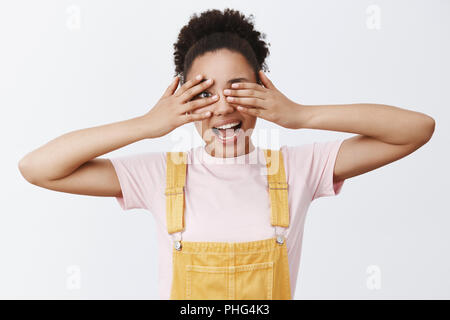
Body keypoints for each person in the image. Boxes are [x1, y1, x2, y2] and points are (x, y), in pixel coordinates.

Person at [18, 8, 435, 300]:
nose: (222, 107)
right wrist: (148, 125)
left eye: (238, 89)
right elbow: (38, 168)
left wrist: (300, 115)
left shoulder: (298, 168)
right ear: (182, 99)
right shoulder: (160, 175)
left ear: (262, 89)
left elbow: (416, 130)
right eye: (203, 93)